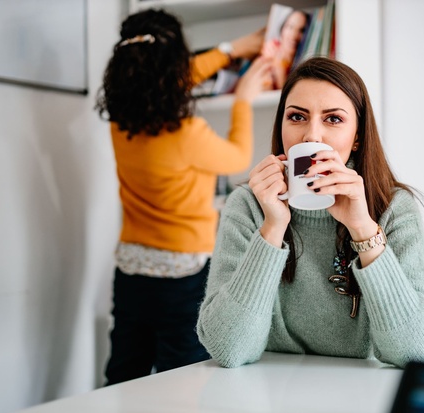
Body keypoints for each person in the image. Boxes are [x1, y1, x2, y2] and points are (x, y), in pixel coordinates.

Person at [196, 57, 424, 368]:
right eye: (297, 117)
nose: (312, 136)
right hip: (271, 389)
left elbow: (414, 351)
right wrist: (273, 227)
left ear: (357, 136)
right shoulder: (248, 205)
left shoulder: (394, 208)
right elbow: (227, 348)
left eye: (333, 119)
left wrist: (363, 228)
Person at [95, 9, 271, 385]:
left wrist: (229, 49)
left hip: (131, 267)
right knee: (182, 377)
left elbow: (167, 77)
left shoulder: (121, 125)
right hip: (182, 274)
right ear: (172, 67)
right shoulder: (186, 133)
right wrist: (243, 99)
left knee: (125, 370)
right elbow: (239, 156)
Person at [261, 9, 309, 90]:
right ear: (282, 29)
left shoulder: (302, 63)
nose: (294, 35)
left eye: (301, 30)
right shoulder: (271, 48)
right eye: (290, 27)